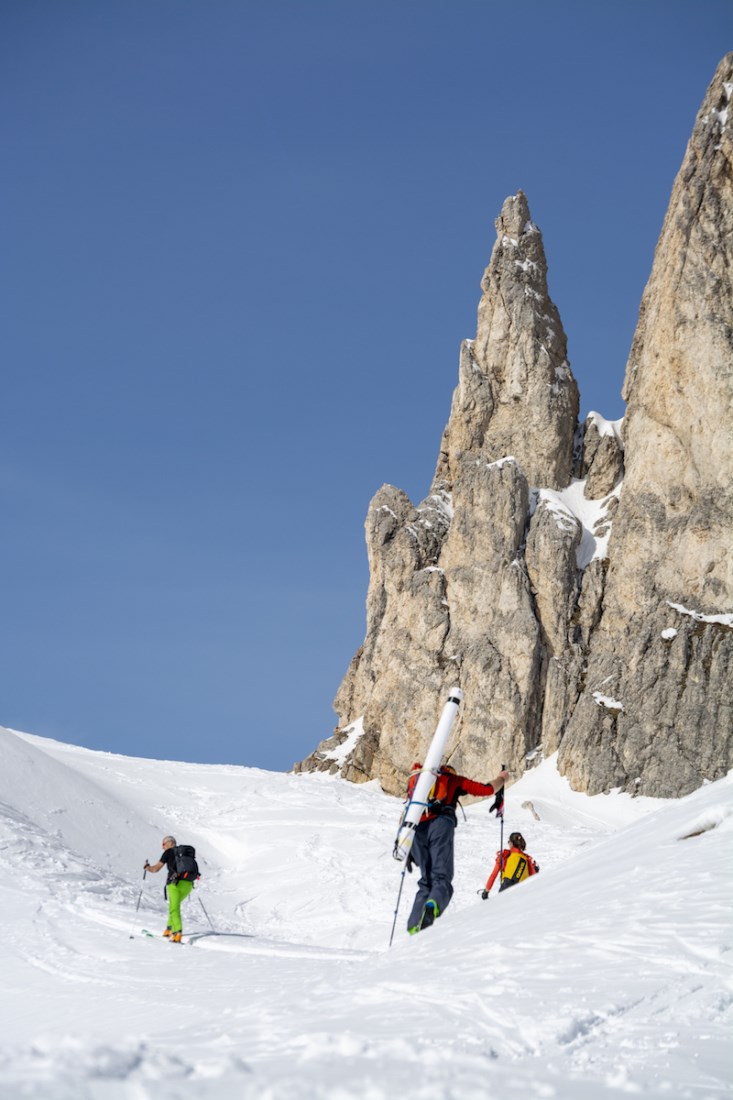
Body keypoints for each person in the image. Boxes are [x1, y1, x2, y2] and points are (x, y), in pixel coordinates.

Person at [405, 763, 509, 934]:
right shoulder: (454, 780)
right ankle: (433, 905)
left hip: (415, 829)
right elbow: (486, 789)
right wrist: (502, 778)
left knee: (426, 882)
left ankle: (413, 926)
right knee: (442, 878)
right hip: (440, 825)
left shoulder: (419, 779)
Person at [144, 835, 194, 943]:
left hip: (174, 884)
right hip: (188, 884)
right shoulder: (184, 853)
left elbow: (156, 869)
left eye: (163, 844)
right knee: (173, 906)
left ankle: (177, 933)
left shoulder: (168, 852)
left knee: (174, 908)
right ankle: (169, 929)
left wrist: (147, 867)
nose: (162, 847)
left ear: (170, 843)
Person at [481, 831, 539, 898]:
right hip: (523, 896)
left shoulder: (504, 857)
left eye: (508, 841)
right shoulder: (527, 859)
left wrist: (486, 892)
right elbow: (533, 878)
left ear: (511, 843)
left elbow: (493, 875)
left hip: (505, 892)